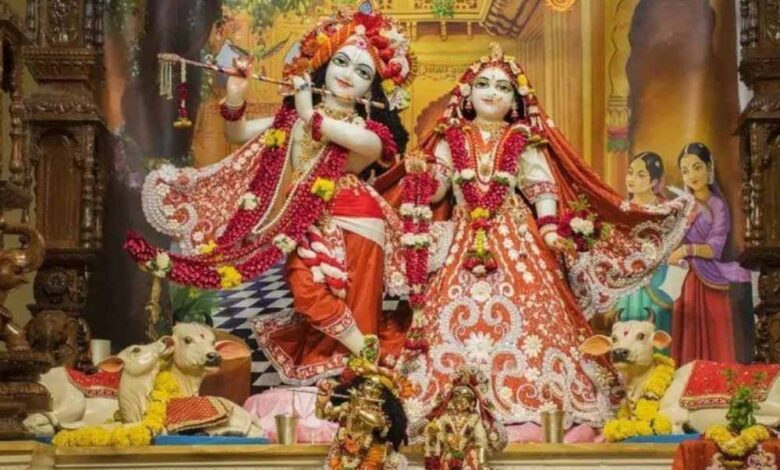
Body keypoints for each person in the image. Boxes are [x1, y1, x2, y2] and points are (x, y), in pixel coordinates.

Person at [393, 43, 694, 429]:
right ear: (466, 94)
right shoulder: (450, 138)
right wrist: (421, 175)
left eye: (503, 88)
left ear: (515, 101)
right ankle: (451, 397)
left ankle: (534, 394)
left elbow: (541, 187)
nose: (492, 93)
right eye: (483, 84)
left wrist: (550, 229)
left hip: (515, 235)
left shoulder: (522, 139)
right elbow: (437, 192)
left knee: (536, 312)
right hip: (464, 239)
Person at [125, 4, 414, 384]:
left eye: (363, 72)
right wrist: (235, 94)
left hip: (356, 220)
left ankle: (358, 371)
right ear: (324, 63)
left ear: (371, 87)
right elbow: (237, 133)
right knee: (305, 286)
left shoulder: (370, 132)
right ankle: (367, 354)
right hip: (304, 217)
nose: (348, 75)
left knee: (355, 298)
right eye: (342, 62)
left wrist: (307, 110)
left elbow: (339, 136)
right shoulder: (293, 120)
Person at [669, 142, 752, 364]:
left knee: (716, 340)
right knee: (689, 336)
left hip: (712, 280)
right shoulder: (683, 206)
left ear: (709, 167)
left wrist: (686, 250)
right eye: (685, 171)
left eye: (697, 167)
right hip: (688, 279)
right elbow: (670, 242)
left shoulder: (717, 206)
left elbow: (714, 249)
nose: (692, 175)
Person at [613, 152, 674, 346]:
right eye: (630, 173)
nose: (632, 179)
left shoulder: (666, 209)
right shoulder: (620, 208)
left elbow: (671, 245)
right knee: (625, 321)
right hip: (626, 277)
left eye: (640, 175)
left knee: (654, 323)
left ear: (653, 181)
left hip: (656, 279)